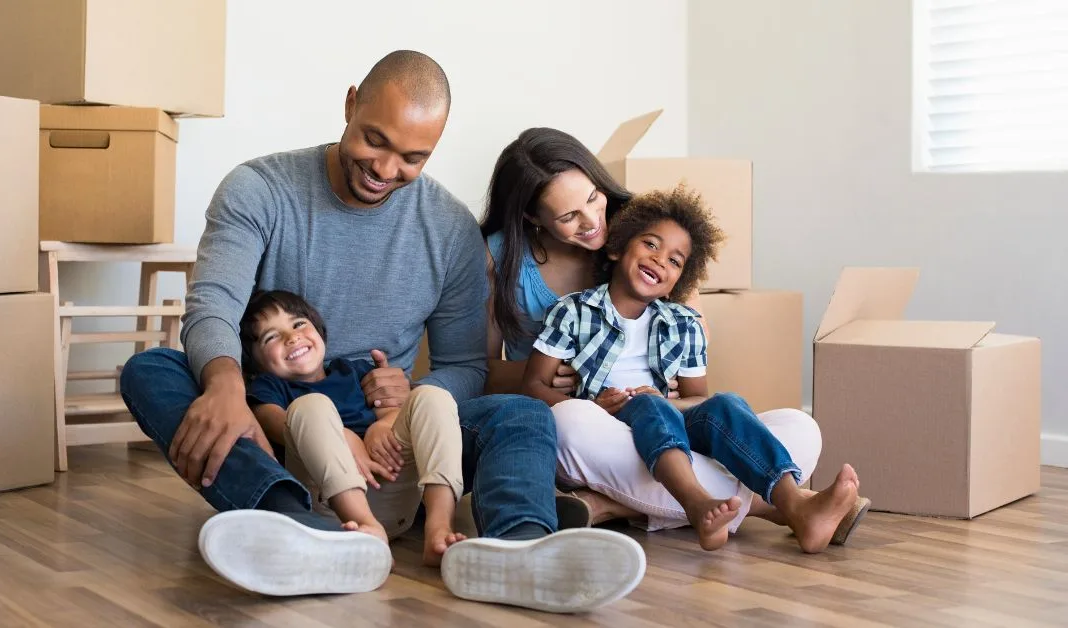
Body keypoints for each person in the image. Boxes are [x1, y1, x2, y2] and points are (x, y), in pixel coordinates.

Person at [120, 51, 646, 613]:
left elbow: (466, 364)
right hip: (276, 421)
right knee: (152, 371)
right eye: (375, 140)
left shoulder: (448, 230)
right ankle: (292, 522)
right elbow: (214, 304)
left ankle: (518, 548)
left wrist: (407, 401)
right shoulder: (259, 189)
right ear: (350, 104)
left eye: (413, 157)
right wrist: (225, 385)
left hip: (394, 444)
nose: (386, 169)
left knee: (521, 413)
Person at [479, 126, 870, 543]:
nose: (595, 221)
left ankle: (610, 505)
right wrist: (555, 379)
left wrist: (676, 399)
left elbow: (694, 382)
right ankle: (774, 507)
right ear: (532, 217)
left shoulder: (649, 236)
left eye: (593, 197)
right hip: (588, 425)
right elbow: (481, 371)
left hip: (668, 421)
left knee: (799, 427)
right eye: (569, 216)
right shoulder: (531, 280)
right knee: (573, 420)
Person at [239, 288, 466, 565]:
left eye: (298, 324)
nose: (292, 337)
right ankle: (366, 527)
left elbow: (394, 411)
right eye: (271, 336)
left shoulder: (353, 370)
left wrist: (382, 426)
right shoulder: (267, 388)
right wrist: (343, 436)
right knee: (311, 406)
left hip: (393, 484)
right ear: (255, 361)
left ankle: (439, 528)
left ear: (320, 332)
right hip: (332, 504)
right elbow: (274, 423)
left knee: (432, 397)